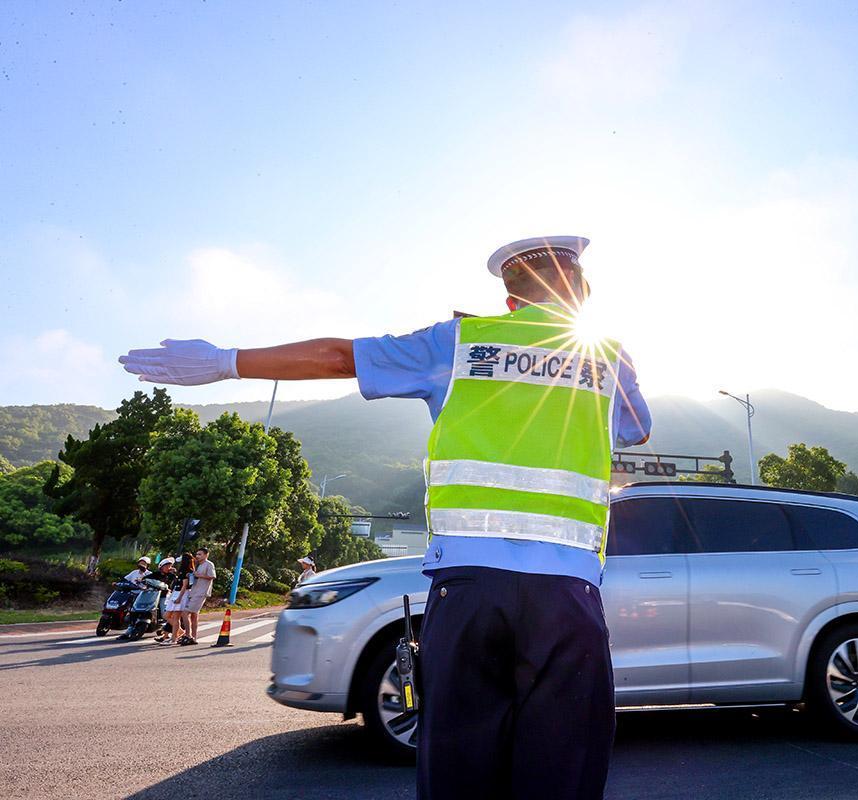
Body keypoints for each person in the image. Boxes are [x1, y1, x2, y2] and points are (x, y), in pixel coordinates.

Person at [119, 235, 651, 799]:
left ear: (510, 299)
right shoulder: (607, 356)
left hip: (468, 588)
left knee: (460, 766)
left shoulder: (460, 341)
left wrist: (226, 362)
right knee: (565, 766)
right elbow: (636, 429)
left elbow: (338, 357)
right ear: (582, 295)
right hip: (568, 592)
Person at [178, 547, 216, 646]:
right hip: (194, 591)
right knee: (194, 616)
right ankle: (193, 637)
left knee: (185, 613)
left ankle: (188, 635)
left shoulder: (209, 564)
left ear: (206, 555)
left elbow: (212, 576)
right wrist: (192, 575)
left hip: (201, 592)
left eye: (200, 554)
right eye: (197, 554)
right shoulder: (198, 565)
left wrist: (198, 575)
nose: (197, 556)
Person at [160, 552, 193, 645]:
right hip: (176, 593)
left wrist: (179, 598)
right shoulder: (182, 572)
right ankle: (179, 633)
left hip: (181, 594)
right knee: (167, 616)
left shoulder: (186, 572)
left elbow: (184, 586)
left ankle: (174, 639)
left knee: (175, 617)